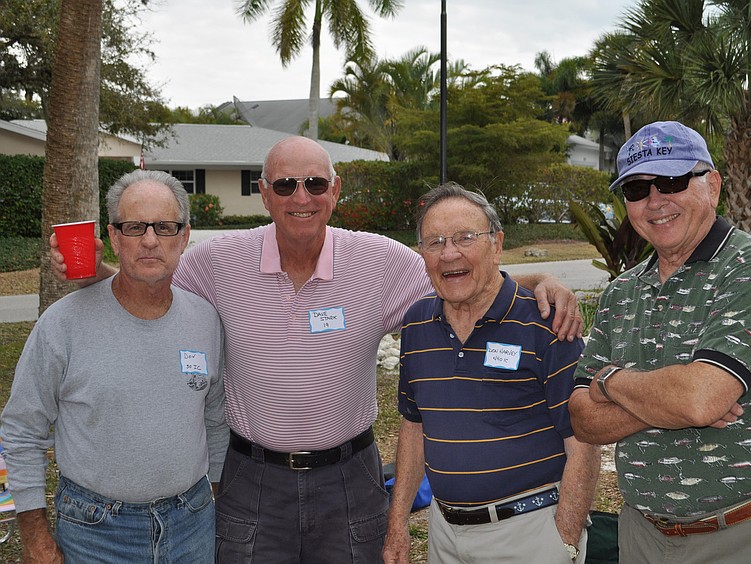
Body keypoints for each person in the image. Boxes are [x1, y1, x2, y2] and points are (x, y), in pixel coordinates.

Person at [50, 136, 584, 562]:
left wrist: (543, 278)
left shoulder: (379, 259)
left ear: (335, 189)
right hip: (251, 478)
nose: (300, 197)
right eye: (285, 185)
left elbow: (460, 277)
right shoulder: (218, 261)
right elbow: (149, 279)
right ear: (264, 193)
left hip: (349, 478)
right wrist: (93, 271)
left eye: (314, 183)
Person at [568, 121, 751, 563]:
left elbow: (699, 401)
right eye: (636, 189)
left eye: (671, 181)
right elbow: (583, 421)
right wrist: (672, 400)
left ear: (712, 186)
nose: (654, 201)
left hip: (748, 534)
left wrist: (609, 384)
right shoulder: (622, 292)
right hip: (643, 535)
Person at [1, 170, 227, 563]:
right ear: (114, 237)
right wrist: (35, 538)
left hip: (192, 525)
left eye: (165, 226)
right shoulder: (62, 324)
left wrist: (219, 506)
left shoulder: (205, 319)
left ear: (185, 236)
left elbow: (216, 418)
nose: (151, 240)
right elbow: (22, 431)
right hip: (95, 534)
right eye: (135, 227)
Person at [382, 183, 599, 564]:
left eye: (466, 237)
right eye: (435, 242)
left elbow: (583, 442)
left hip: (528, 533)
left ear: (497, 245)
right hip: (444, 534)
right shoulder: (417, 324)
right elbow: (414, 427)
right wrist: (398, 523)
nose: (450, 253)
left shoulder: (548, 322)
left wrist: (564, 541)